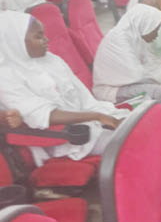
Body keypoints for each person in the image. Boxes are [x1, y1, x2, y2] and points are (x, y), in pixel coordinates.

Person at [0, 11, 128, 166]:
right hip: (63, 139)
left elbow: (85, 99)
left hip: (90, 124)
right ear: (15, 42)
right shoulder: (6, 77)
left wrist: (111, 116)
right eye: (38, 37)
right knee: (132, 144)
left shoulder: (52, 60)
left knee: (139, 128)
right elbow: (43, 115)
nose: (46, 40)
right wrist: (98, 116)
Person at [93, 4, 161, 105]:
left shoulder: (136, 36)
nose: (156, 35)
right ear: (145, 26)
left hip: (130, 81)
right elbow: (137, 75)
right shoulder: (120, 40)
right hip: (112, 89)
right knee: (159, 92)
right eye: (155, 31)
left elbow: (150, 63)